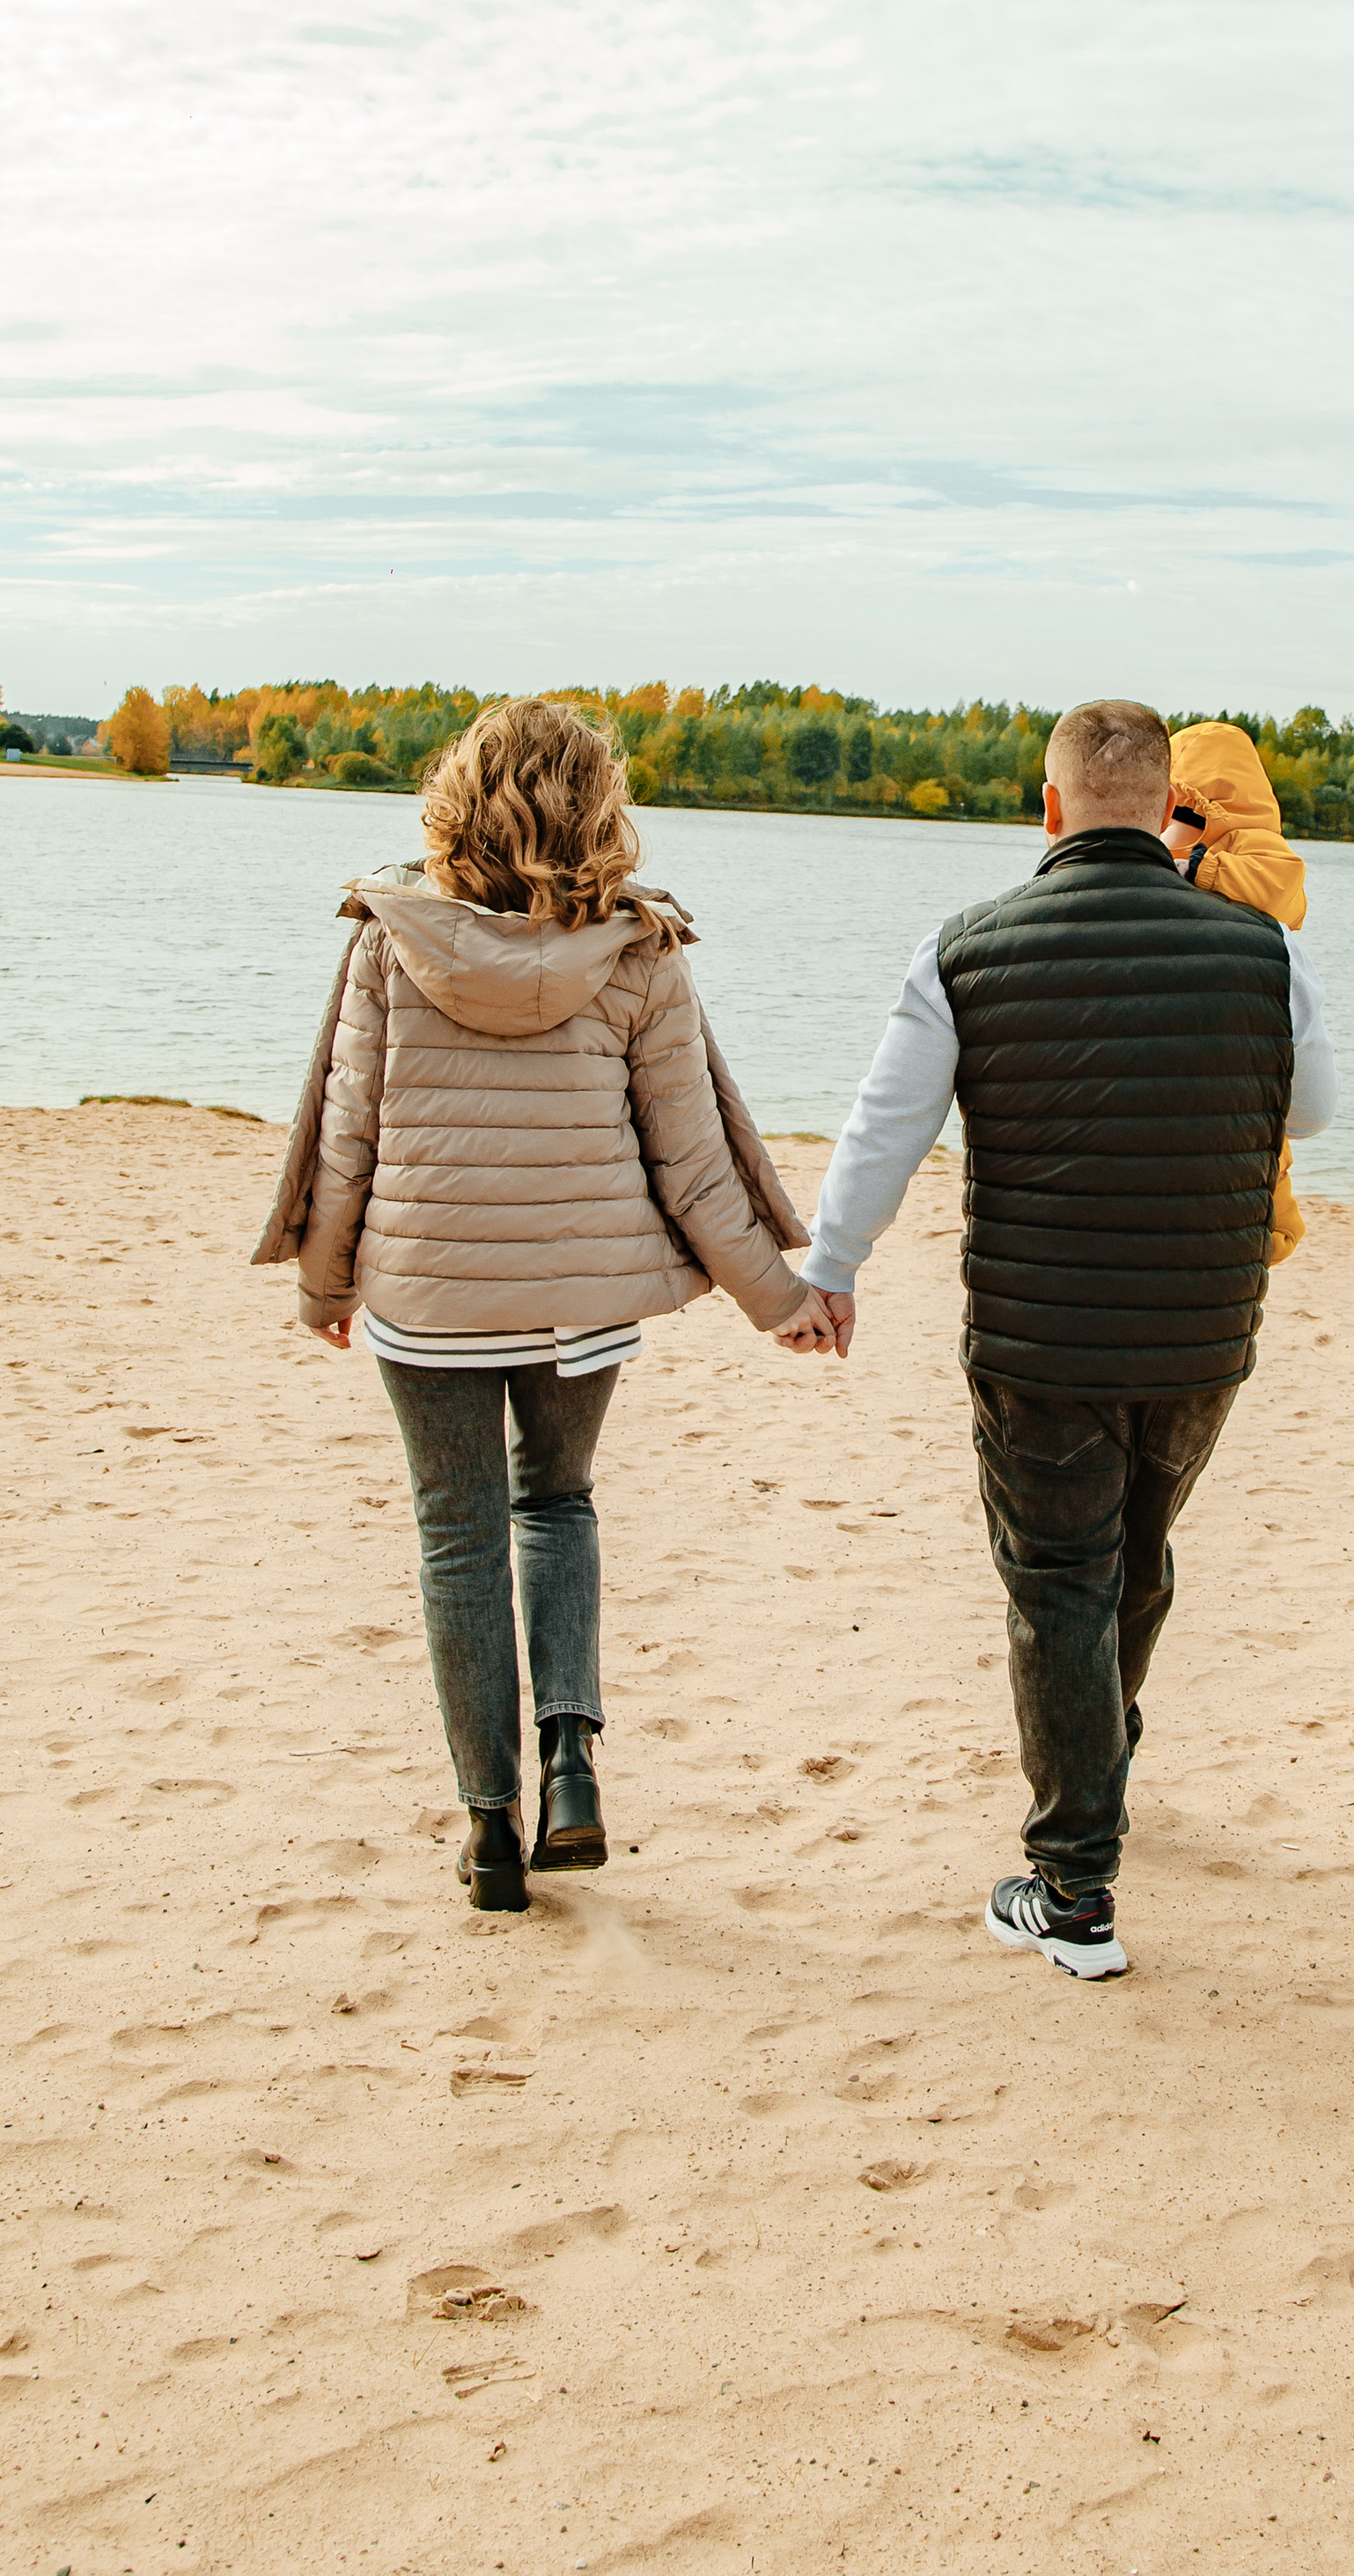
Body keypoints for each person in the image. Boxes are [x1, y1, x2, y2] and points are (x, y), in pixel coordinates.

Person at [253, 696, 840, 1916]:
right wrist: (779, 1299)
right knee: (557, 1503)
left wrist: (324, 1284)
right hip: (583, 1304)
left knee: (457, 1540)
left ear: (458, 800)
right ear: (597, 809)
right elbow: (693, 1165)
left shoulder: (386, 939)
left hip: (430, 1297)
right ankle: (570, 1762)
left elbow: (348, 1141)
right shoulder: (640, 951)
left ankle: (487, 1831)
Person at [802, 698, 1336, 1980]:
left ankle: (1075, 1889)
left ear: (1046, 809)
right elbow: (1313, 1115)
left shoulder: (968, 948)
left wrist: (831, 1268)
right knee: (1135, 1554)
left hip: (1039, 1339)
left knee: (1059, 1585)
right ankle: (1104, 1755)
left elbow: (888, 1128)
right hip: (1206, 1328)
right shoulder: (1264, 949)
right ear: (1166, 810)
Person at [1165, 719, 1310, 1265]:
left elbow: (1282, 888)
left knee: (1259, 1140)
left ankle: (1272, 1225)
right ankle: (1268, 1223)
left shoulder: (1255, 850)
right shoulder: (1184, 843)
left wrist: (1194, 863)